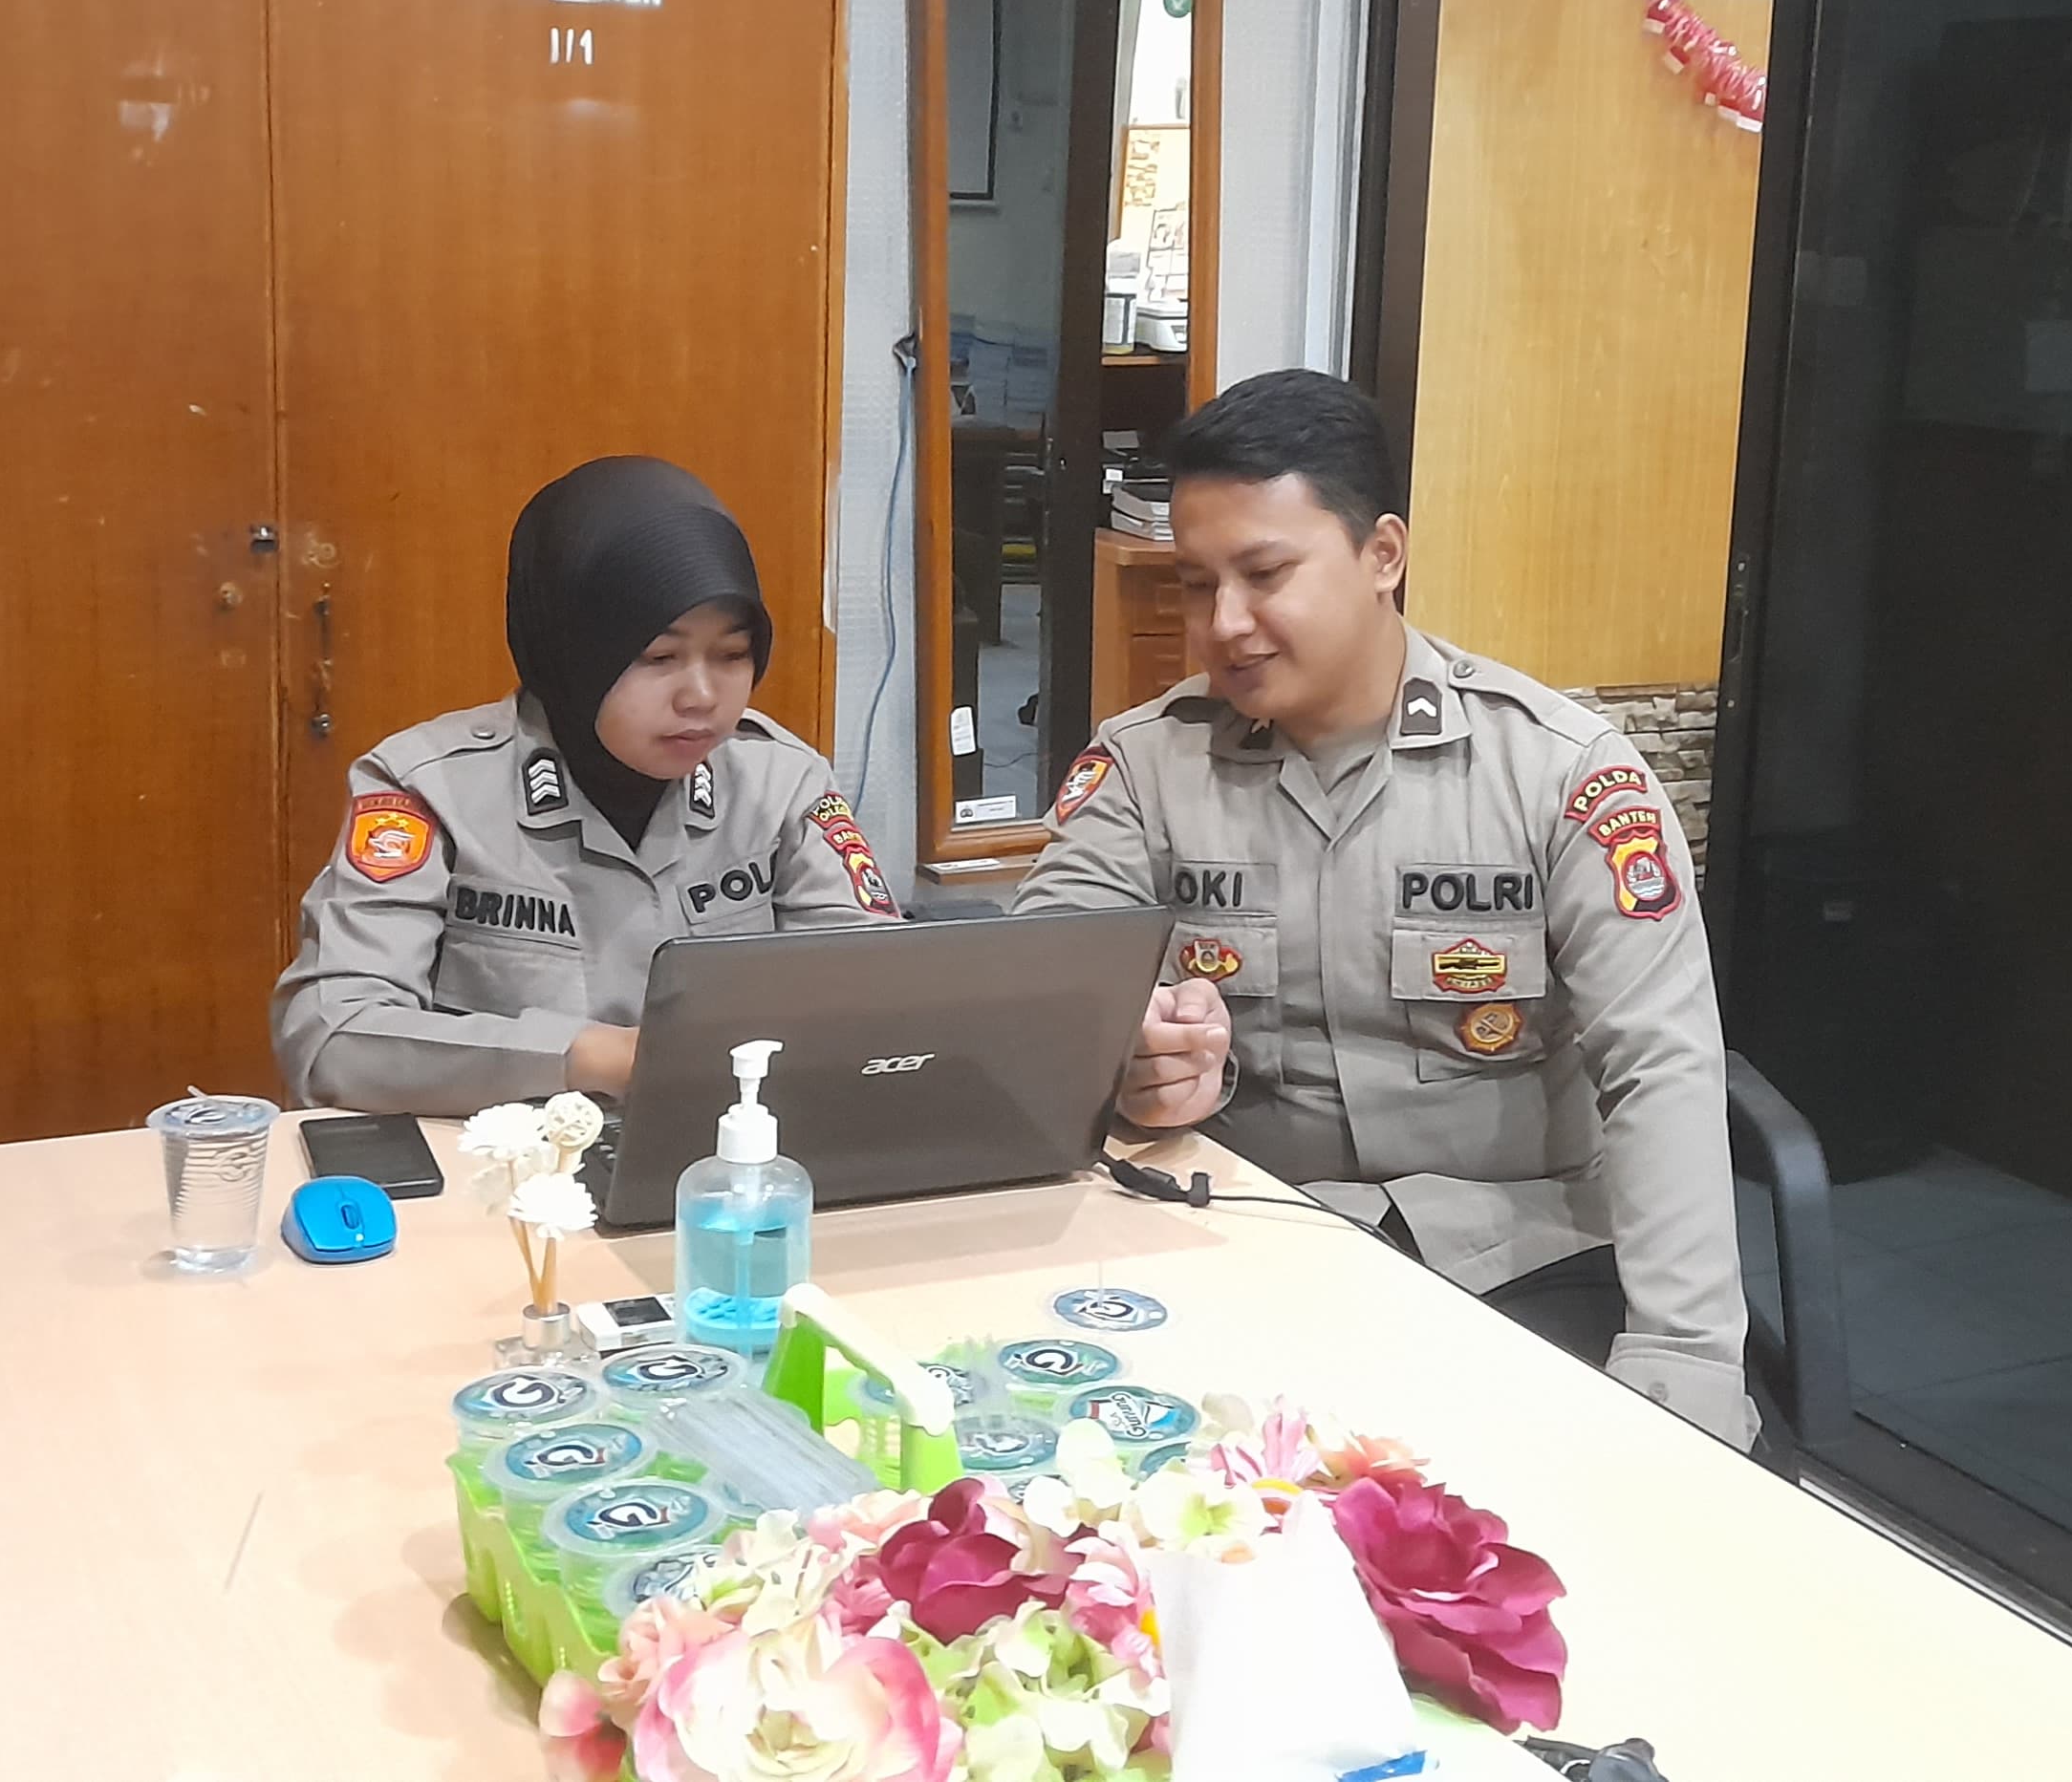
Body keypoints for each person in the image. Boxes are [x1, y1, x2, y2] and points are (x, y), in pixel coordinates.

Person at [1015, 373, 1755, 1445]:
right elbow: (1041, 1003)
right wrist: (1131, 1061)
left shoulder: (1559, 773)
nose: (1224, 625)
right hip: (1238, 1238)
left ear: (1383, 556)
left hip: (1520, 1257)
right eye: (1195, 585)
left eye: (1265, 574)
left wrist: (1683, 1361)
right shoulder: (1143, 768)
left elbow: (1662, 1064)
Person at [274, 458, 898, 1113]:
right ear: (572, 649)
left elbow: (878, 993)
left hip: (730, 1148)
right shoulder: (429, 788)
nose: (702, 696)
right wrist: (591, 1058)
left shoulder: (780, 780)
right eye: (659, 657)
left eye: (732, 655)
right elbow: (333, 1038)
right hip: (507, 1160)